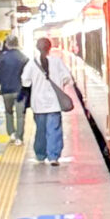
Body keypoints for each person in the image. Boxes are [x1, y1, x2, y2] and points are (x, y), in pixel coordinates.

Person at [22, 34, 71, 164]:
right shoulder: (57, 61)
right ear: (50, 47)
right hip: (54, 102)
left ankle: (40, 155)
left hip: (38, 104)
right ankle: (53, 156)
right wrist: (59, 84)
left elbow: (25, 82)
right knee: (54, 129)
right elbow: (67, 78)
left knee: (40, 130)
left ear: (37, 48)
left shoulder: (32, 63)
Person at [0, 33, 29, 144]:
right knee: (20, 115)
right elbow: (27, 76)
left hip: (6, 90)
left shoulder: (2, 58)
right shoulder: (24, 58)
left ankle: (11, 133)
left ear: (7, 44)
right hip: (20, 91)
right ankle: (19, 138)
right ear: (17, 44)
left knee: (8, 112)